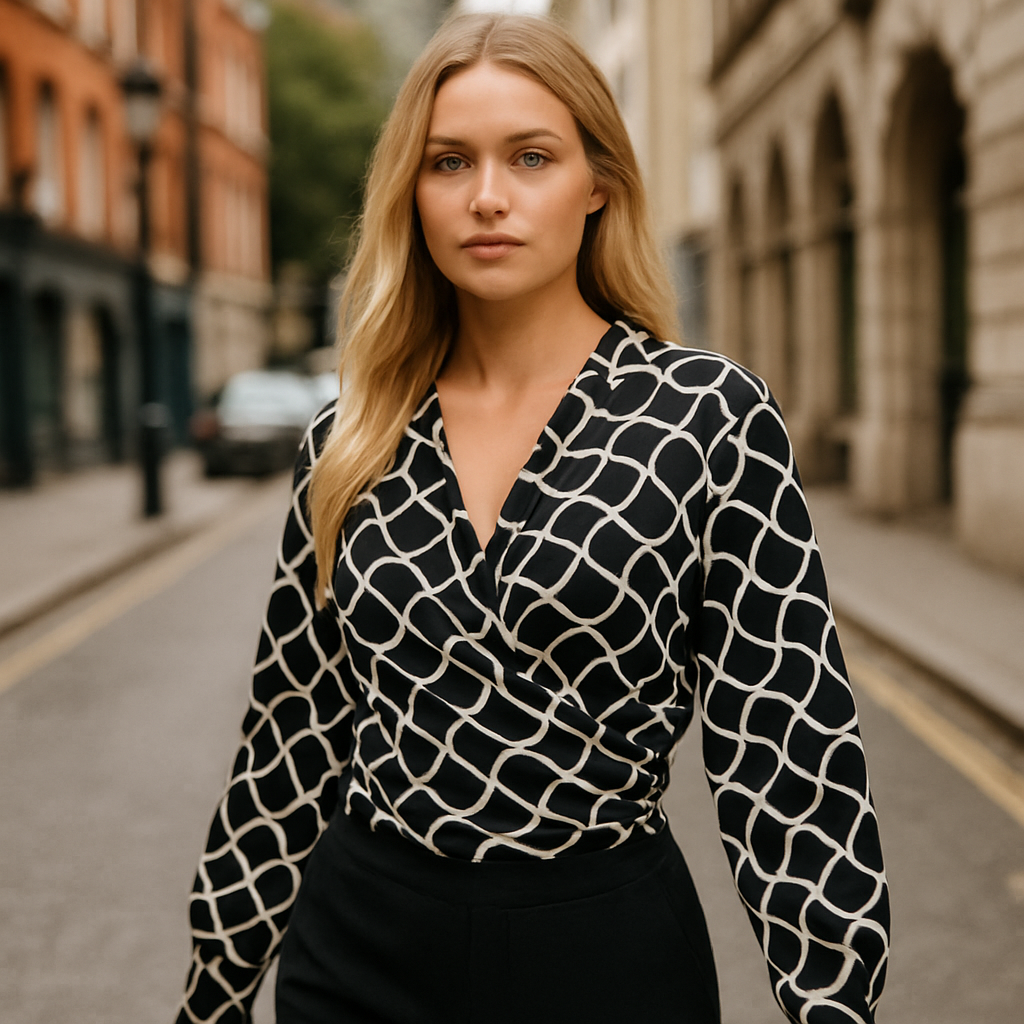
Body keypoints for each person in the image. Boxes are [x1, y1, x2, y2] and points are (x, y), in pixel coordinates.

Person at [176, 13, 890, 1024]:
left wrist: (834, 1002)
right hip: (362, 949)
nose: (487, 197)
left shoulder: (706, 416)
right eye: (448, 162)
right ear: (409, 193)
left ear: (599, 182)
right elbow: (291, 736)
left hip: (603, 952)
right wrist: (214, 988)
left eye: (531, 156)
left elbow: (787, 744)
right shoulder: (353, 434)